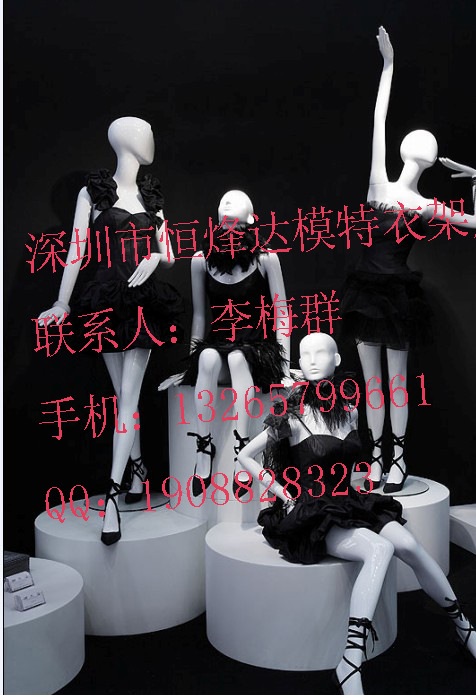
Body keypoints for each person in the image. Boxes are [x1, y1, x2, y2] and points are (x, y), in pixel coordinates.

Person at [237, 333, 476, 695]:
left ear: (337, 359)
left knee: (409, 545)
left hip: (350, 500)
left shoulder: (348, 406)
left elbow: (347, 460)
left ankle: (466, 630)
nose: (311, 360)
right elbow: (246, 455)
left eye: (320, 352)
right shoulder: (291, 415)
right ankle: (350, 662)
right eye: (304, 353)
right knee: (380, 549)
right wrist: (283, 493)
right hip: (315, 510)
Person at [341, 27, 476, 493]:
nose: (423, 147)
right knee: (373, 383)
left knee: (396, 382)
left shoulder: (424, 205)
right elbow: (378, 120)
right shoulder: (378, 185)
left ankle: (398, 459)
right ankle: (376, 460)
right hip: (367, 292)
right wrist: (387, 66)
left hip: (397, 295)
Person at [37, 117, 183, 545]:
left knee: (128, 399)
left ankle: (114, 497)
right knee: (123, 398)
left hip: (142, 302)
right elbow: (76, 249)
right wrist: (62, 303)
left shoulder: (152, 195)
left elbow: (169, 253)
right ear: (128, 140)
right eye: (146, 132)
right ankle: (138, 473)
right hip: (104, 298)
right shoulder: (94, 191)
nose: (151, 139)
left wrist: (155, 258)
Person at [160, 190, 290, 496]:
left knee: (237, 359)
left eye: (237, 198)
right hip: (218, 345)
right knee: (207, 358)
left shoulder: (266, 258)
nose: (228, 200)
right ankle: (203, 448)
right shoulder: (201, 260)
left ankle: (242, 450)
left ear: (251, 218)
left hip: (255, 348)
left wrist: (284, 368)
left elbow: (282, 312)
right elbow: (199, 316)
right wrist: (191, 365)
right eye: (224, 199)